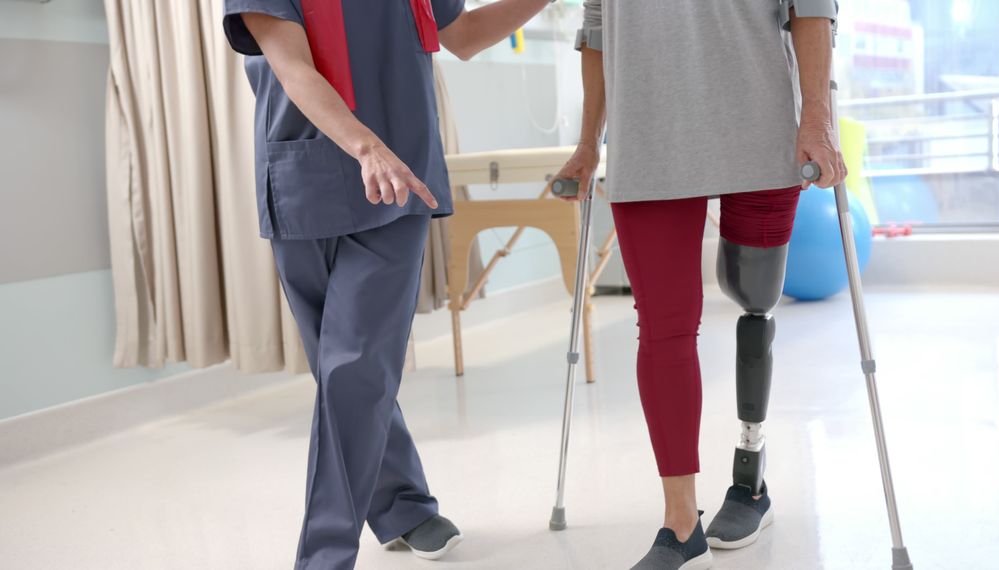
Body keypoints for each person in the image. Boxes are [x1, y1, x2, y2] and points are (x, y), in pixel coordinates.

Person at [221, 1, 551, 568]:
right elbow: (291, 65)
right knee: (344, 370)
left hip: (401, 180)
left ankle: (324, 557)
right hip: (306, 173)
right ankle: (403, 505)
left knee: (357, 366)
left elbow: (464, 35)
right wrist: (364, 146)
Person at [555, 1, 847, 568]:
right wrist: (589, 142)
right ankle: (680, 520)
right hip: (648, 142)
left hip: (760, 128)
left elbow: (810, 6)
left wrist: (816, 119)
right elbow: (597, 32)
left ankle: (749, 472)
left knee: (753, 297)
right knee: (663, 325)